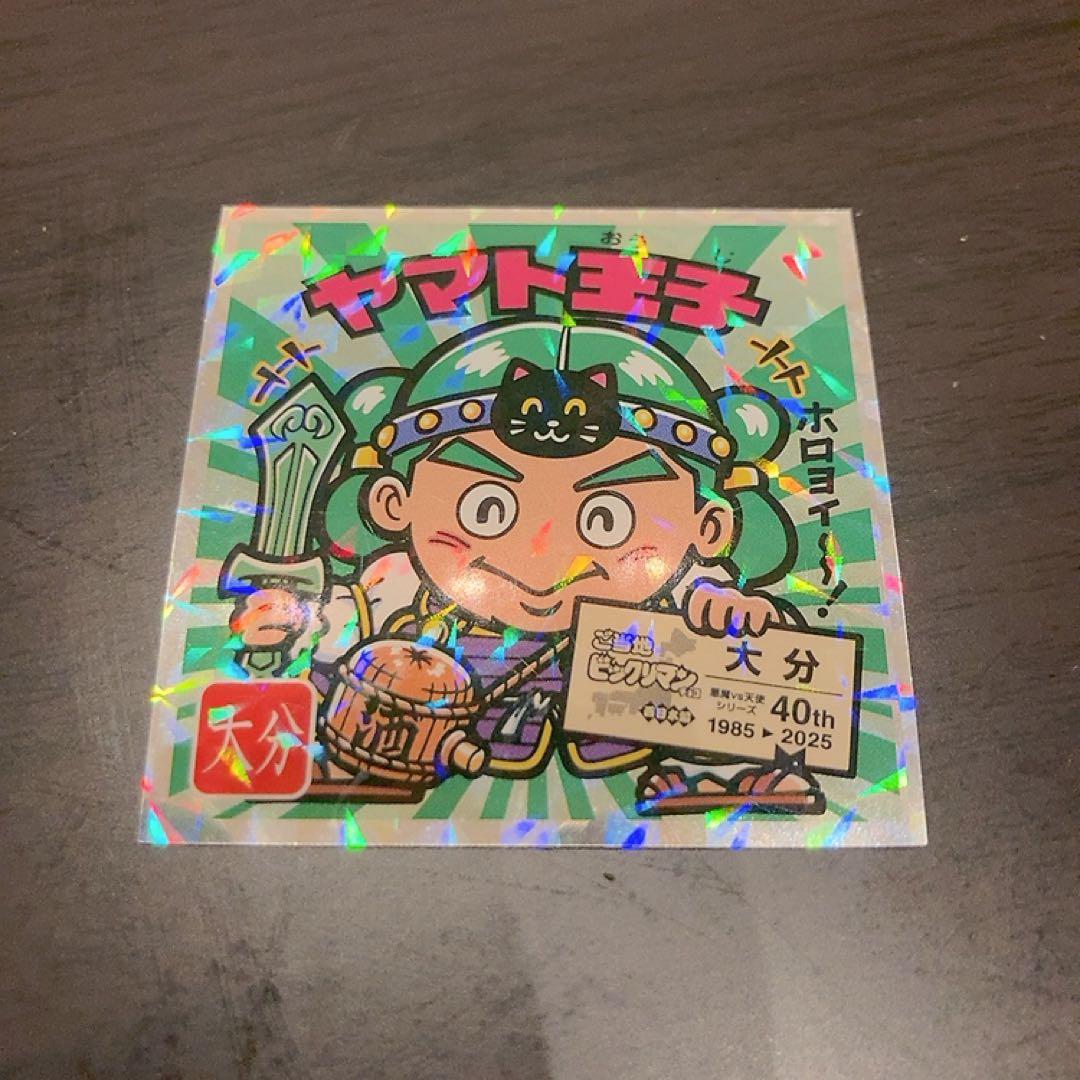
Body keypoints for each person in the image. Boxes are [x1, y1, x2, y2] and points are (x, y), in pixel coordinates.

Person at [230, 318, 823, 813]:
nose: (543, 556)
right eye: (487, 509)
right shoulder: (396, 588)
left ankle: (732, 783)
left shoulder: (689, 594)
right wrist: (289, 622)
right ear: (393, 503)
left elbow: (736, 637)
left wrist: (730, 616)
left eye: (606, 519)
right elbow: (332, 629)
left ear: (708, 528)